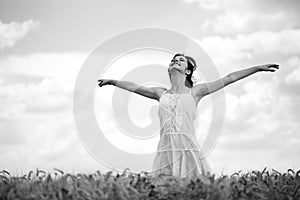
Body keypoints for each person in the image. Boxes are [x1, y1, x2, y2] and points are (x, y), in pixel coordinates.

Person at [97, 53, 279, 180]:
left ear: (188, 71)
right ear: (169, 69)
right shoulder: (160, 93)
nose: (175, 61)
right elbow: (134, 87)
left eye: (181, 60)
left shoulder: (196, 92)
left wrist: (257, 68)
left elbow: (229, 78)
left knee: (193, 189)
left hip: (188, 149)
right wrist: (113, 82)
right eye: (173, 60)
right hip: (165, 150)